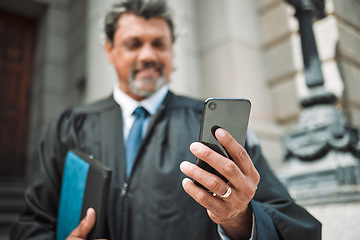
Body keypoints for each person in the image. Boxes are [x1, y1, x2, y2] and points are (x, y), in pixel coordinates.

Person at [10, 0, 321, 239]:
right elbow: (32, 223)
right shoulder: (70, 126)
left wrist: (239, 217)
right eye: (133, 44)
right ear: (109, 49)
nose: (148, 55)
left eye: (159, 44)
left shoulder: (215, 130)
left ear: (172, 51)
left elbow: (293, 222)